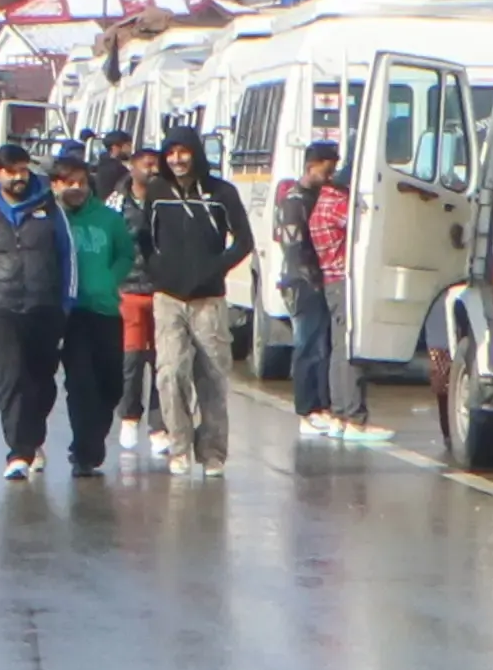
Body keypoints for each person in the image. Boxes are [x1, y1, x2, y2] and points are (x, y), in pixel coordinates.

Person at [133, 132, 259, 476]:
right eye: (170, 153)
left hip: (209, 299)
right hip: (168, 297)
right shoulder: (158, 192)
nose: (177, 159)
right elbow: (145, 236)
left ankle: (213, 452)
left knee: (213, 376)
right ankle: (179, 446)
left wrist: (214, 268)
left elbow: (244, 240)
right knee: (170, 373)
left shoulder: (222, 193)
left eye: (183, 152)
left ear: (196, 154)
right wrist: (156, 268)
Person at [0, 141, 73, 474]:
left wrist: (67, 303)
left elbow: (68, 257)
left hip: (45, 305)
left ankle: (32, 437)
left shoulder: (51, 209)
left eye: (24, 170)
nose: (19, 177)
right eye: (12, 172)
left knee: (42, 379)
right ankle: (18, 452)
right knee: (11, 377)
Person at [60, 148, 141, 473]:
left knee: (111, 385)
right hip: (71, 314)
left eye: (81, 182)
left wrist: (111, 278)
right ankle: (85, 452)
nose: (75, 188)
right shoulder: (54, 219)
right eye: (68, 182)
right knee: (81, 384)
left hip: (106, 311)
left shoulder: (109, 219)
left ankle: (91, 439)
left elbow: (126, 254)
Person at [284, 140, 356, 431]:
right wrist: (311, 279)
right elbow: (293, 246)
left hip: (322, 278)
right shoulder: (294, 200)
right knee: (307, 346)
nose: (330, 176)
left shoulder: (320, 195)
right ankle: (306, 410)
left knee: (323, 346)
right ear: (310, 166)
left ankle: (322, 404)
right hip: (302, 282)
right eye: (326, 171)